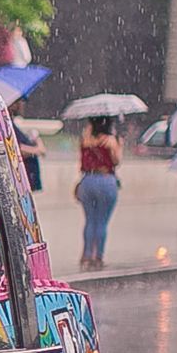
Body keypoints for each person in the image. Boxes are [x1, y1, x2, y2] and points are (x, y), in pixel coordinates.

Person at [75, 116, 121, 270]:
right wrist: (118, 145)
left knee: (90, 220)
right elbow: (116, 161)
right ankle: (98, 257)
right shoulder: (110, 140)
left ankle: (86, 256)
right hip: (106, 180)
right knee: (102, 222)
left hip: (87, 181)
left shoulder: (85, 140)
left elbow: (81, 161)